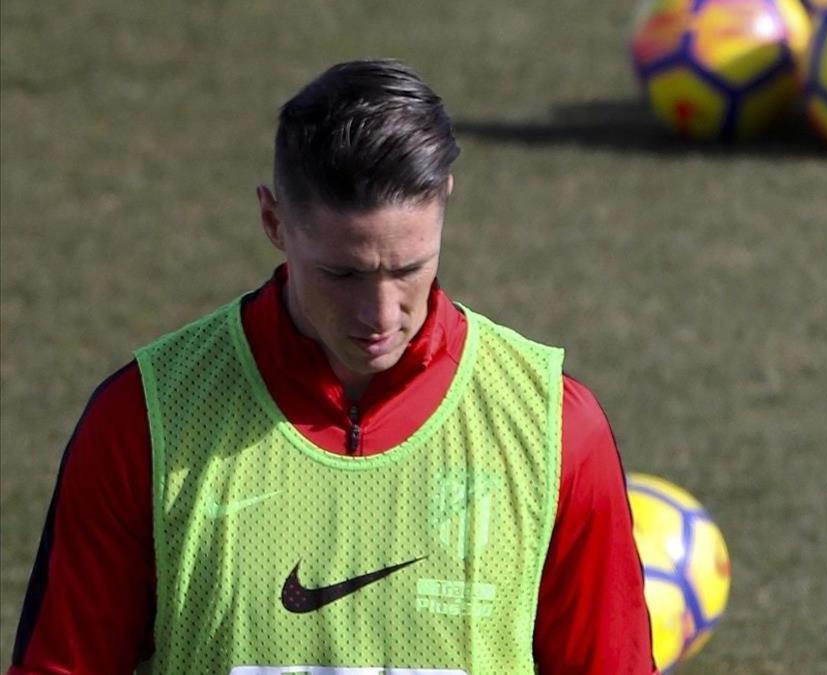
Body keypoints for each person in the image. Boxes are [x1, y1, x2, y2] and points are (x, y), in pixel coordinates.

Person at [9, 59, 655, 674]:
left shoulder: (554, 431)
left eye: (409, 269)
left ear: (445, 202)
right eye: (342, 274)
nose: (380, 315)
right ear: (273, 220)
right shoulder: (145, 420)